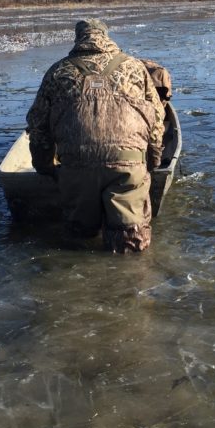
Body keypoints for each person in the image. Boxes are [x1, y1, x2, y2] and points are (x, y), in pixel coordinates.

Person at [26, 19, 165, 253]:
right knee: (130, 244)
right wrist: (153, 161)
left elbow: (38, 125)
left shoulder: (58, 71)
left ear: (78, 38)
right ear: (106, 37)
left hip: (76, 166)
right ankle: (130, 283)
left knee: (78, 243)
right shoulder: (134, 67)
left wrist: (44, 166)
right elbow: (156, 119)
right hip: (128, 165)